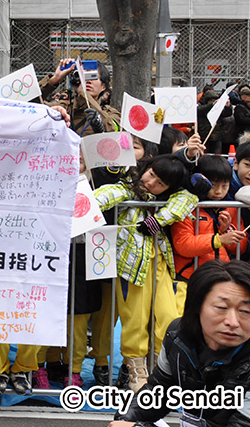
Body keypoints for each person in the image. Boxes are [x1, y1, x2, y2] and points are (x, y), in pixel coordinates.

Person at [94, 155, 196, 391]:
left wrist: (158, 221)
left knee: (170, 317)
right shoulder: (128, 188)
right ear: (146, 168)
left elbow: (188, 198)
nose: (151, 183)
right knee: (135, 320)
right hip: (132, 267)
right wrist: (86, 202)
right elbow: (106, 195)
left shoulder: (172, 198)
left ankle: (163, 371)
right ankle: (136, 371)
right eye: (151, 174)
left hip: (160, 265)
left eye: (160, 182)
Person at [110, 259, 250, 427]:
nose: (233, 322)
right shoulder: (177, 337)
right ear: (197, 306)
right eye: (221, 307)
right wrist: (125, 420)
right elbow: (156, 392)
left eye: (245, 311)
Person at [173, 154, 247, 314]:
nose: (219, 192)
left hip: (220, 276)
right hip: (187, 277)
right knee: (183, 319)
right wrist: (219, 239)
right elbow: (183, 245)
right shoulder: (186, 206)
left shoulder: (231, 206)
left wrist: (227, 231)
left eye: (225, 186)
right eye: (213, 185)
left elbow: (240, 248)